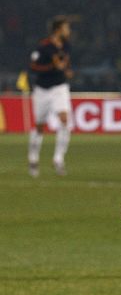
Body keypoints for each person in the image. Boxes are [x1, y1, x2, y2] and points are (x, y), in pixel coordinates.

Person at [27, 16, 73, 177]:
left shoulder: (66, 45)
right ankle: (33, 158)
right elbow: (33, 66)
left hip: (59, 88)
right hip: (42, 90)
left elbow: (65, 62)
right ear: (58, 29)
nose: (69, 31)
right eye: (66, 28)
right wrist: (51, 66)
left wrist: (66, 70)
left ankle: (58, 159)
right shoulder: (43, 47)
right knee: (40, 126)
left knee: (65, 120)